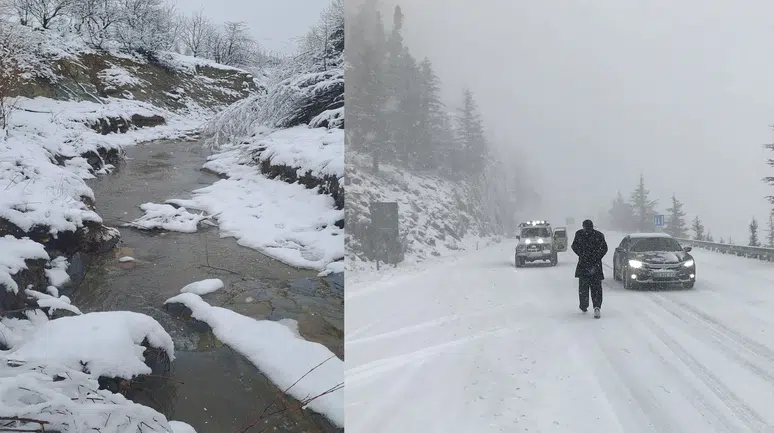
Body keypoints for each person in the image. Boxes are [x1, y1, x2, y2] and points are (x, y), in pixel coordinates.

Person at [571, 219, 608, 318]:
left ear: (583, 226)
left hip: (583, 265)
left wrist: (582, 255)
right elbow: (604, 248)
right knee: (596, 288)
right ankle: (597, 306)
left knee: (583, 287)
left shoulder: (579, 234)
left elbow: (574, 246)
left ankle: (584, 305)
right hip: (596, 265)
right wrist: (597, 257)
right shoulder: (599, 235)